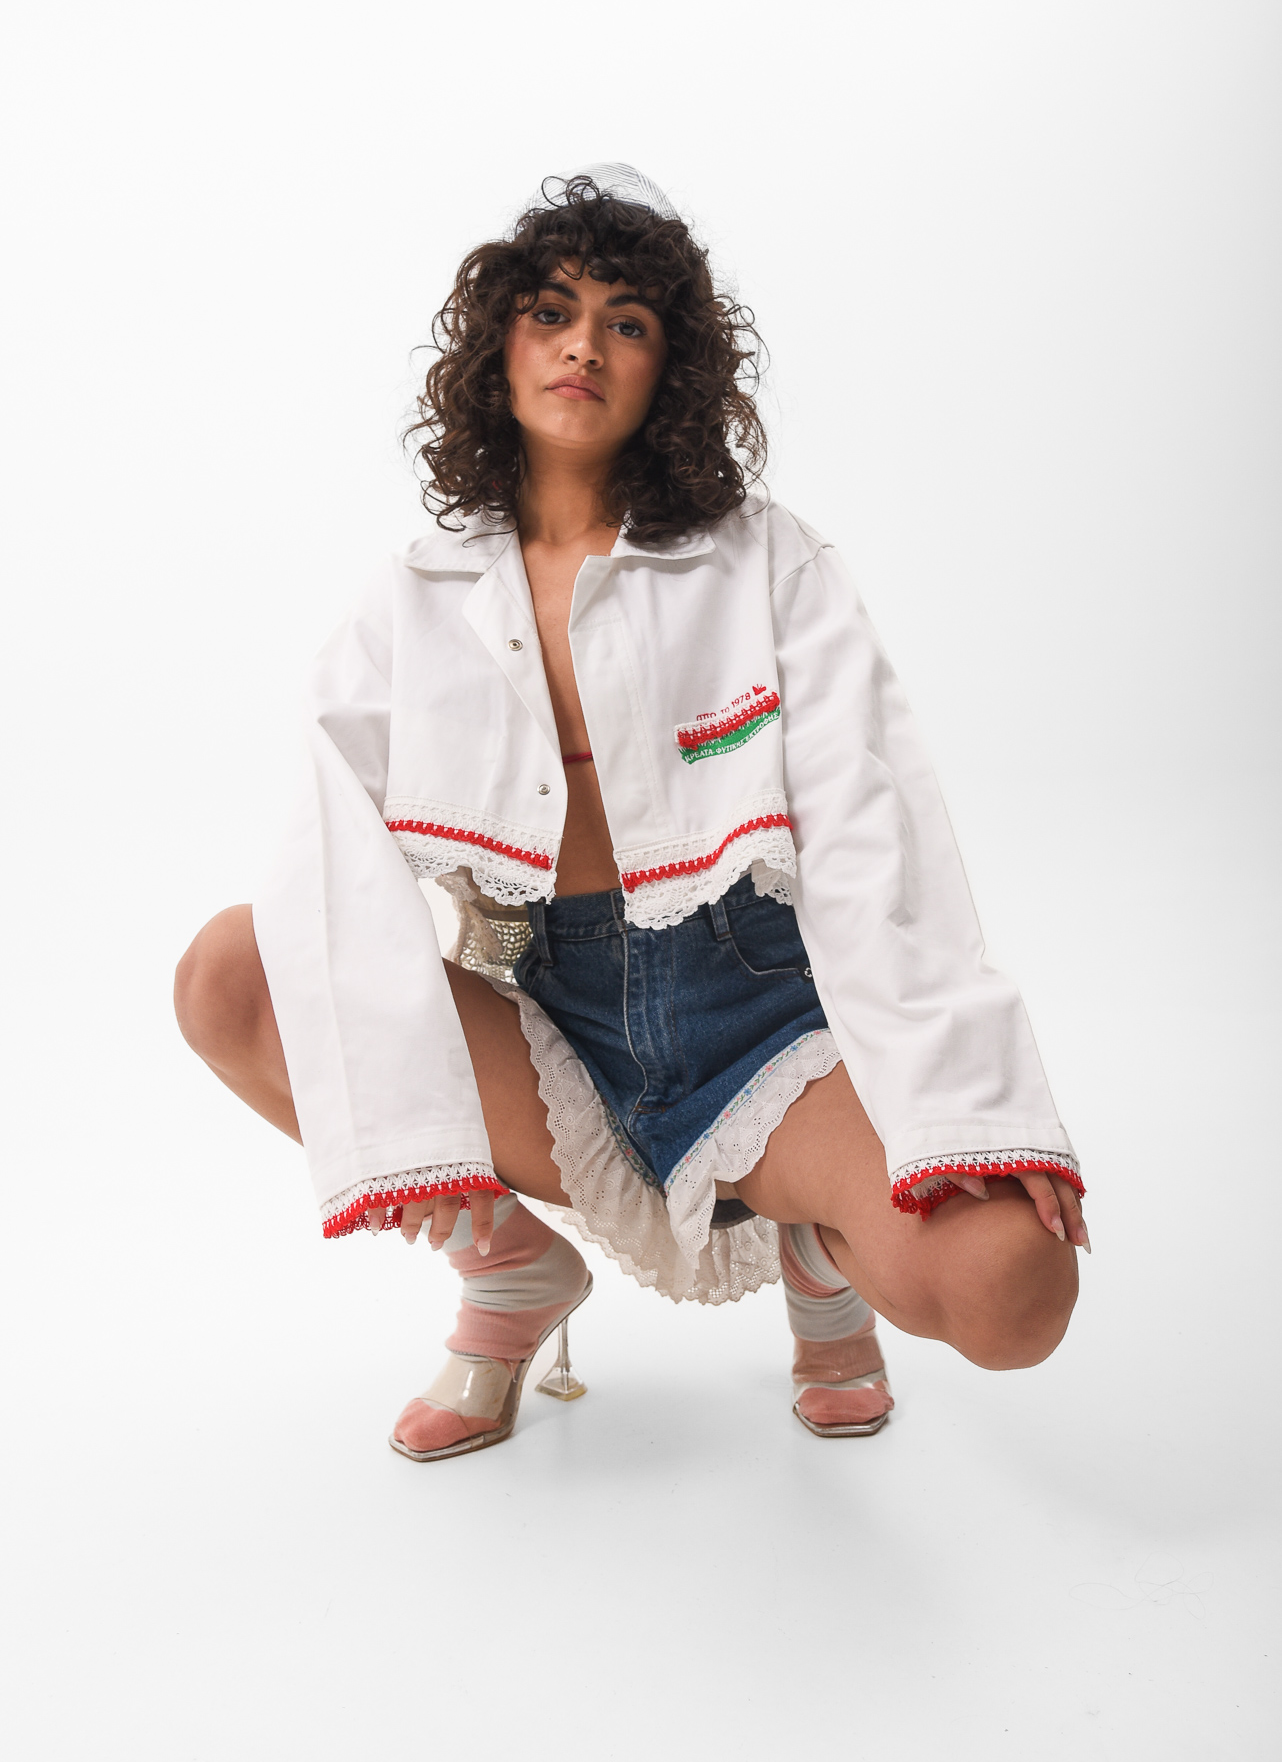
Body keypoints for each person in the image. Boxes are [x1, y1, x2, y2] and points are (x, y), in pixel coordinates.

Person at [174, 165, 1087, 1462]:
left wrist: (974, 1110)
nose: (584, 347)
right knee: (227, 971)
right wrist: (412, 1120)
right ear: (498, 349)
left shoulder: (766, 561)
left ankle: (819, 1251)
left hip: (758, 1014)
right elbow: (326, 863)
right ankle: (509, 1271)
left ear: (674, 369)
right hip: (545, 1010)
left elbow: (875, 836)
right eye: (551, 313)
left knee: (1011, 1290)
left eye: (628, 322)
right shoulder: (411, 602)